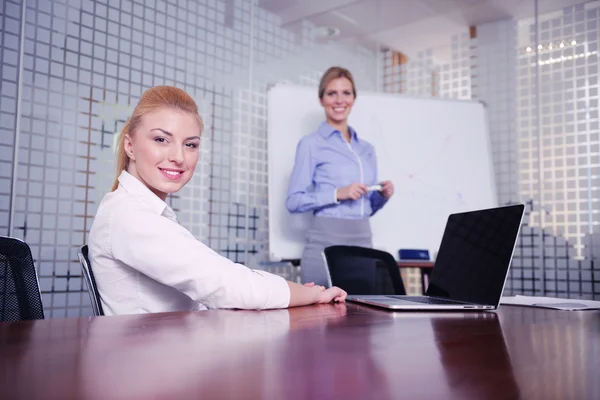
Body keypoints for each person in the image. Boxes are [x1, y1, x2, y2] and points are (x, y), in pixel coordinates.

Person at [88, 85, 346, 315]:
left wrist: (298, 293)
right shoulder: (129, 215)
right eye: (161, 139)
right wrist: (311, 294)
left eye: (190, 145)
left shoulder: (140, 211)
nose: (178, 156)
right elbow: (225, 283)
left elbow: (208, 290)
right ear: (130, 146)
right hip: (149, 364)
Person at [286, 66, 395, 287]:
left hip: (363, 243)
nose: (339, 100)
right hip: (325, 243)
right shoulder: (311, 144)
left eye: (346, 93)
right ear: (321, 99)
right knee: (319, 318)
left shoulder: (367, 149)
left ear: (354, 98)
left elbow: (367, 207)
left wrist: (382, 196)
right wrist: (338, 194)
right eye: (331, 93)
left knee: (361, 317)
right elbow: (294, 201)